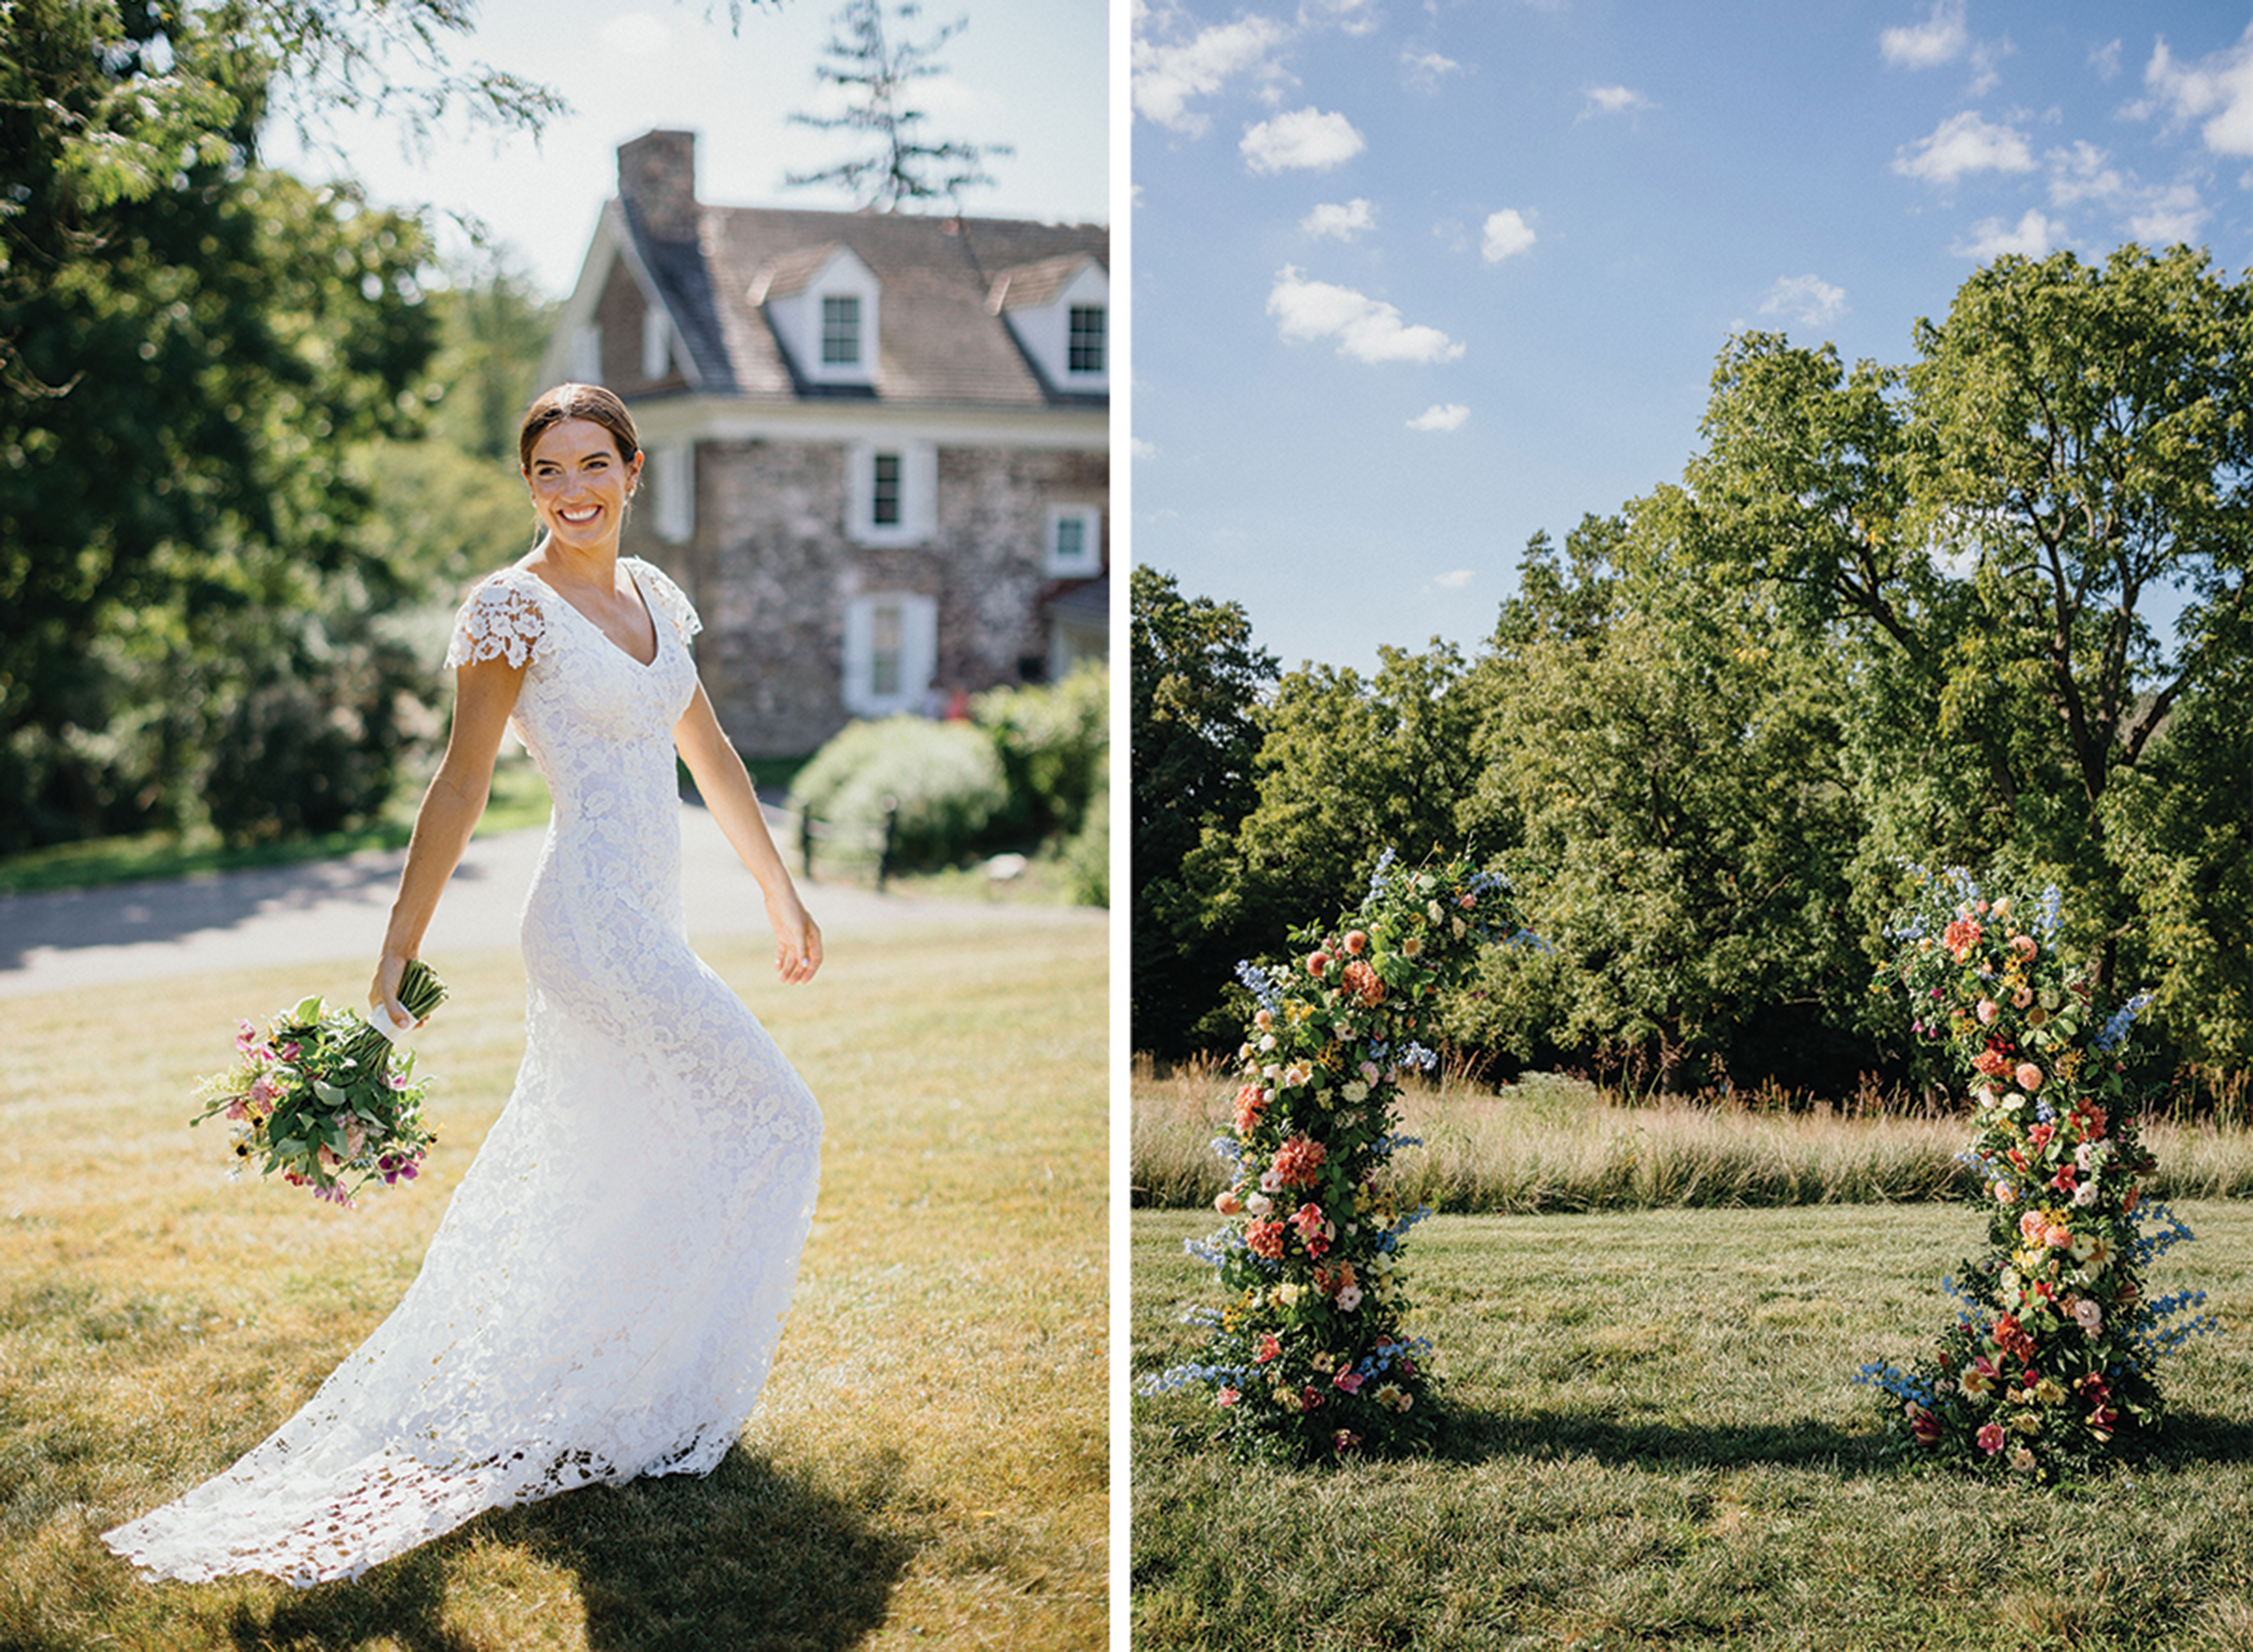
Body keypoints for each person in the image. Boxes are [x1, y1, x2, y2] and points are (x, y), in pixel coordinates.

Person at [102, 383, 825, 1585]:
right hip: (589, 923)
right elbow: (460, 782)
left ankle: (607, 1381)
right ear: (529, 481)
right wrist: (398, 946)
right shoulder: (508, 609)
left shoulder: (654, 598)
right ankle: (648, 1388)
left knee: (631, 1152)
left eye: (595, 463)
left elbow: (713, 756)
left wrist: (778, 890)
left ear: (634, 470)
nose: (574, 488)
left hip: (658, 914)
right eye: (549, 469)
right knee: (776, 1111)